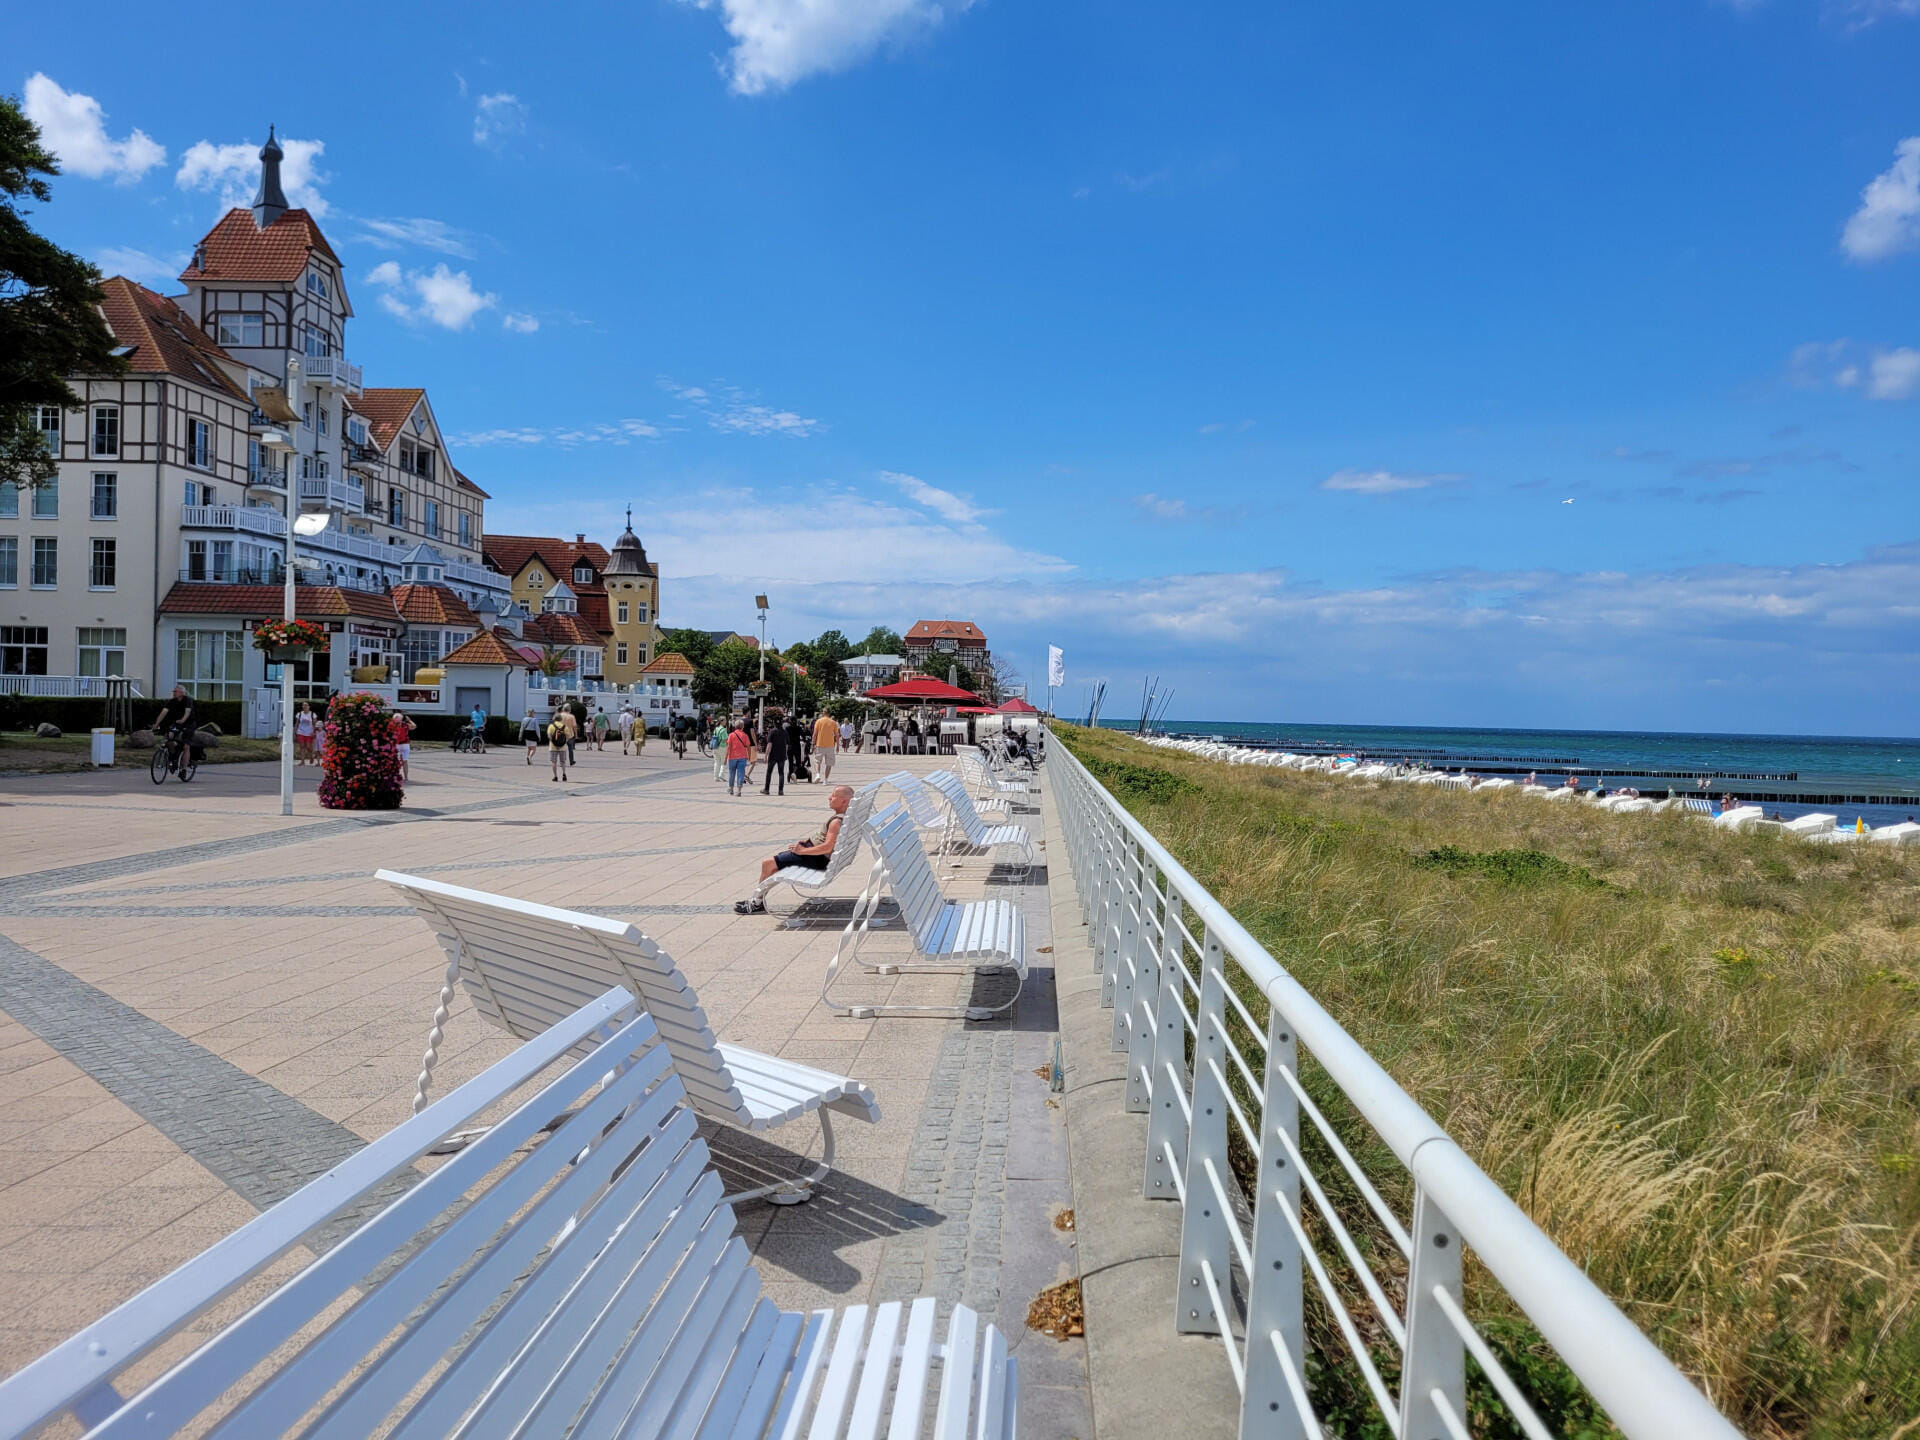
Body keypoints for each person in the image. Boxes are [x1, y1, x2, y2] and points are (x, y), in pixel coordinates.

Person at [735, 786, 853, 913]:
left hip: (816, 860)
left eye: (833, 796)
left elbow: (827, 847)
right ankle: (758, 900)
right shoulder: (844, 817)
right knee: (775, 865)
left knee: (768, 864)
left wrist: (802, 851)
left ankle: (755, 903)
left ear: (844, 801)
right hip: (817, 857)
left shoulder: (836, 822)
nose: (829, 798)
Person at [151, 685, 199, 775]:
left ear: (181, 693)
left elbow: (187, 712)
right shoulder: (172, 701)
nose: (173, 693)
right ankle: (173, 758)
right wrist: (156, 724)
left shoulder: (188, 700)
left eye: (175, 691)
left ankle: (183, 769)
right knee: (169, 739)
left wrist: (183, 720)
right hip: (177, 724)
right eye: (174, 691)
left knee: (186, 746)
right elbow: (163, 712)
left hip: (189, 724)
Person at [762, 715, 790, 795]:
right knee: (781, 773)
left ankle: (766, 789)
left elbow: (769, 744)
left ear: (774, 723)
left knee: (769, 772)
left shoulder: (772, 731)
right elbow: (787, 745)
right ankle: (780, 790)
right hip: (782, 755)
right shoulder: (785, 732)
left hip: (773, 755)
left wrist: (766, 755)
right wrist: (785, 753)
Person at [812, 709, 840, 783]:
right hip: (830, 745)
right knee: (829, 763)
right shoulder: (833, 722)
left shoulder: (818, 721)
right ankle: (826, 780)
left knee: (817, 761)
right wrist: (838, 745)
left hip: (819, 744)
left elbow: (815, 734)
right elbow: (837, 735)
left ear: (823, 713)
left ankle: (818, 774)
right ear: (830, 713)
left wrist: (812, 744)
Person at [726, 720, 752, 796]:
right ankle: (739, 791)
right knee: (740, 773)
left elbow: (728, 747)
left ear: (735, 726)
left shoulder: (731, 735)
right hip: (742, 757)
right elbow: (748, 747)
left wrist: (726, 758)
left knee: (731, 773)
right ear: (742, 727)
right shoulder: (745, 735)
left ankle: (731, 789)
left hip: (732, 757)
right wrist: (749, 757)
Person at [391, 710, 416, 782]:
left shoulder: (392, 725)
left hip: (397, 744)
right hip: (404, 744)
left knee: (395, 760)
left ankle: (395, 776)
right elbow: (414, 726)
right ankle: (406, 777)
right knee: (405, 761)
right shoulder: (405, 725)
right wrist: (409, 720)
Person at [547, 710, 570, 781]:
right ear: (560, 719)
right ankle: (564, 774)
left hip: (553, 747)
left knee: (554, 762)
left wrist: (554, 743)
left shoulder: (551, 726)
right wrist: (563, 743)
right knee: (563, 761)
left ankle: (555, 776)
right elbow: (568, 737)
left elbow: (549, 736)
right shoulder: (565, 727)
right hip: (562, 748)